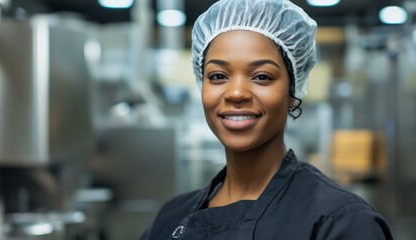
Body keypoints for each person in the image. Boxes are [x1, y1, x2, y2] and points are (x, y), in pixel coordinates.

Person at [141, 0, 393, 239]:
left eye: (261, 76)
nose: (236, 92)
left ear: (292, 93)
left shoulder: (340, 222)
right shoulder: (171, 218)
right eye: (218, 76)